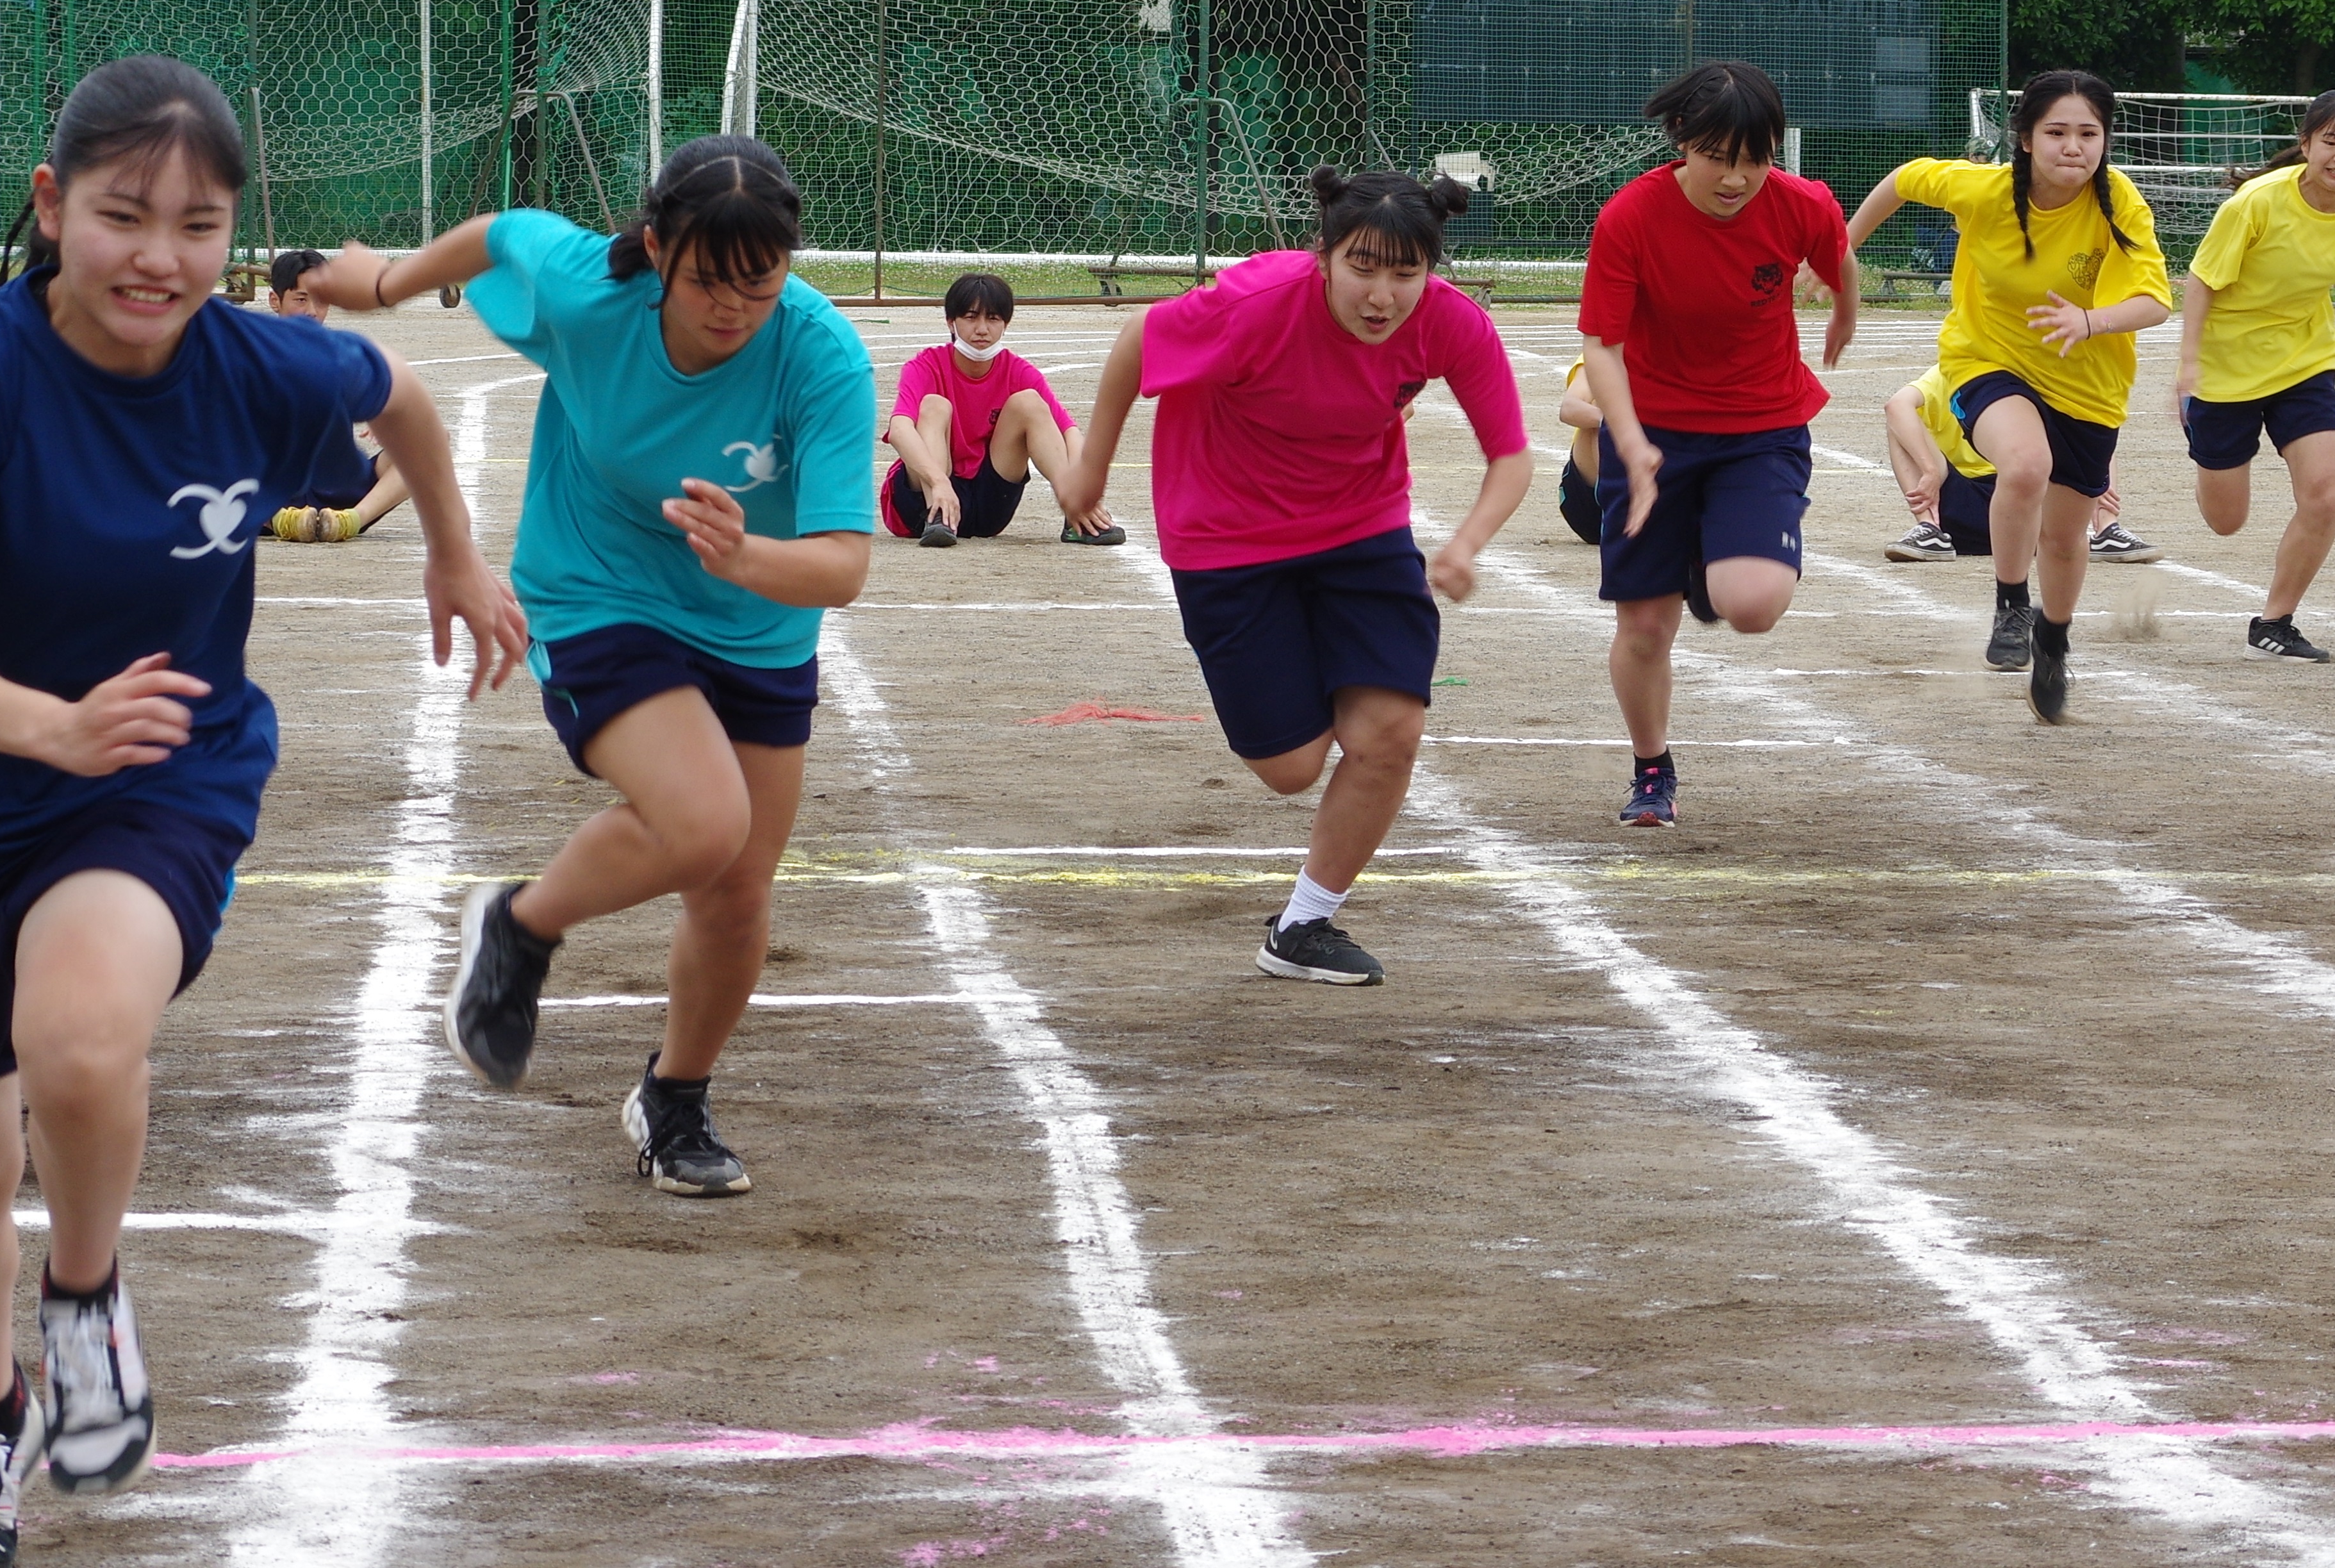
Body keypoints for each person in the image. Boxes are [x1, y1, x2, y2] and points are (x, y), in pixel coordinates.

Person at [0, 56, 523, 1568]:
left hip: (151, 775)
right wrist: (50, 725)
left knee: (80, 1038)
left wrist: (454, 555)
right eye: (127, 213)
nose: (162, 254)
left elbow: (398, 391)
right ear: (52, 204)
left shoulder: (258, 366)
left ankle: (84, 1301)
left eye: (200, 224)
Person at [304, 136, 875, 1198]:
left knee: (738, 893)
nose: (734, 307)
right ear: (658, 250)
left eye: (762, 281)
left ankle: (674, 1096)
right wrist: (383, 281)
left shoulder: (820, 355)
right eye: (708, 279)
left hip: (755, 621)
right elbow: (500, 234)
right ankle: (519, 927)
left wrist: (748, 556)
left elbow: (842, 567)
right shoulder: (592, 297)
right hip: (597, 586)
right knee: (706, 823)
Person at [1059, 167, 1529, 984]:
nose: (1382, 295)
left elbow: (1511, 458)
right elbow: (1139, 339)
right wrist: (1089, 473)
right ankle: (1301, 673)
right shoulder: (1254, 305)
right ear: (1325, 256)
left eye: (1405, 273)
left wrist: (1464, 546)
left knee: (1390, 733)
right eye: (1363, 267)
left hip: (1361, 527)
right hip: (1226, 534)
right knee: (1292, 769)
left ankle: (1304, 926)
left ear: (1432, 269)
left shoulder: (1453, 325)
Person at [1846, 69, 2174, 723]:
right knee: (2025, 465)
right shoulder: (1986, 191)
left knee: (2065, 536)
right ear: (2025, 138)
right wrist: (1838, 250)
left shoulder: (2119, 202)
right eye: (2056, 132)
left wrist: (2089, 321)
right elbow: (1905, 178)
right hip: (1985, 359)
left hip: (2088, 382)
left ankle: (2053, 639)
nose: (2073, 146)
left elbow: (2155, 301)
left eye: (2089, 133)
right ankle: (2010, 603)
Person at [1578, 60, 1857, 825]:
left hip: (1760, 427)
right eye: (1719, 159)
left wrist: (1844, 311)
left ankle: (1711, 562)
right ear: (1682, 142)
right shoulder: (1630, 218)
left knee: (1753, 606)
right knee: (1643, 626)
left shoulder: (1802, 204)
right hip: (1657, 432)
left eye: (1756, 160)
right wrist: (1630, 444)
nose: (1737, 179)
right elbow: (1601, 345)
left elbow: (1840, 256)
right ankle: (1651, 769)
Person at [2175, 90, 2335, 662]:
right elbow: (2200, 283)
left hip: (2305, 362)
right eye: (2330, 141)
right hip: (2226, 369)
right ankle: (2198, 431)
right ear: (2305, 145)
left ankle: (2274, 620)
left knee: (2323, 495)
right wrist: (2189, 365)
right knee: (2226, 521)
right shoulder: (2256, 202)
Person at [879, 271, 1119, 547]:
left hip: (988, 504)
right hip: (924, 499)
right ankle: (938, 516)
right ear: (951, 322)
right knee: (935, 405)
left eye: (992, 318)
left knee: (1028, 402)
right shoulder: (925, 366)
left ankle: (1076, 516)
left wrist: (1079, 492)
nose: (982, 329)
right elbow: (899, 430)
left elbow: (1070, 433)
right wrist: (938, 482)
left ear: (1005, 324)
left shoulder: (1018, 371)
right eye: (971, 317)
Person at [1883, 367, 2158, 565]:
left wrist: (1930, 471)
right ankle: (2106, 529)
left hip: (1990, 509)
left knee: (2087, 416)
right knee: (2088, 418)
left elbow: (1897, 405)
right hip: (2034, 513)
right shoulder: (1963, 372)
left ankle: (1929, 529)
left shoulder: (1957, 371)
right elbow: (1897, 406)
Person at [261, 249, 411, 541]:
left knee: (430, 440)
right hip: (266, 490)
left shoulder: (342, 355)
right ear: (274, 300)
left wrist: (384, 421)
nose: (312, 312)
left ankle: (351, 522)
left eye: (321, 300)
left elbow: (394, 404)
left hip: (336, 493)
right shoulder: (249, 352)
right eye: (301, 300)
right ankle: (281, 521)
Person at [1558, 361, 1603, 545]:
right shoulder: (1606, 349)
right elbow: (1570, 409)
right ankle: (1620, 504)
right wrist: (1623, 421)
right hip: (1588, 498)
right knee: (1609, 400)